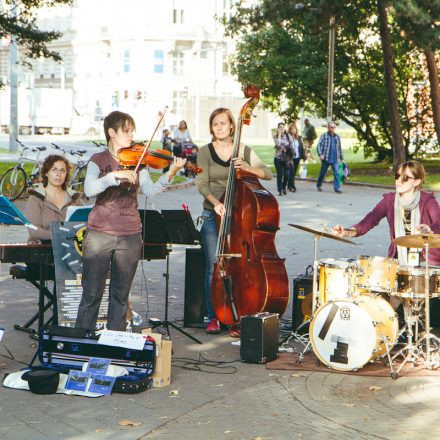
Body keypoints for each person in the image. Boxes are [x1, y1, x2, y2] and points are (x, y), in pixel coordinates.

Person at [75, 110, 186, 332]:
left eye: (132, 130)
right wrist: (113, 177)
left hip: (130, 235)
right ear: (111, 132)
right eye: (126, 130)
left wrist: (171, 172)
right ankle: (82, 343)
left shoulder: (139, 161)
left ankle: (114, 345)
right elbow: (89, 190)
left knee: (120, 296)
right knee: (91, 294)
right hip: (99, 235)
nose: (131, 135)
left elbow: (151, 191)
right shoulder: (98, 160)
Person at [197, 107, 272, 337]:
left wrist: (247, 168)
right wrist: (215, 203)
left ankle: (238, 316)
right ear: (211, 128)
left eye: (223, 123)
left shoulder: (242, 150)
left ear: (232, 126)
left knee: (240, 268)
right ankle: (215, 317)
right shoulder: (205, 152)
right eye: (215, 124)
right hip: (213, 215)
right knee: (214, 265)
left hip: (240, 219)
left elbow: (267, 173)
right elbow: (202, 184)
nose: (219, 127)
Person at [332, 160, 440, 266]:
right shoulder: (389, 200)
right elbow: (369, 221)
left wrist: (429, 231)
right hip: (398, 261)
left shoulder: (428, 200)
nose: (399, 181)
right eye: (397, 176)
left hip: (427, 263)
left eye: (405, 178)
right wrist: (346, 232)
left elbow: (438, 221)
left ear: (417, 182)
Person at [25, 155, 83, 280]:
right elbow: (33, 230)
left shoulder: (75, 198)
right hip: (42, 253)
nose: (59, 174)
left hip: (71, 252)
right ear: (46, 173)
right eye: (54, 170)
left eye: (62, 170)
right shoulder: (35, 198)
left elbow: (85, 225)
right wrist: (60, 235)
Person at [316, 122, 343, 194]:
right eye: (331, 127)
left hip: (335, 158)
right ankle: (319, 185)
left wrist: (341, 157)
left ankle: (337, 188)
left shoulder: (337, 136)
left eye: (334, 127)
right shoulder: (324, 136)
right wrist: (320, 154)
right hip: (326, 158)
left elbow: (339, 148)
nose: (333, 129)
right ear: (328, 128)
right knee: (323, 172)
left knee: (337, 173)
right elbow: (319, 146)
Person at [286, 122, 306, 192]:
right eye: (292, 129)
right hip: (290, 157)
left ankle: (289, 185)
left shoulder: (299, 138)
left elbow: (301, 147)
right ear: (290, 130)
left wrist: (304, 156)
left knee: (293, 173)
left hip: (297, 157)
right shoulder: (288, 138)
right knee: (291, 172)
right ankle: (293, 186)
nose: (293, 130)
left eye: (294, 129)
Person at [273, 122, 291, 196]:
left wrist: (285, 147)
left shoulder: (288, 136)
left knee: (287, 174)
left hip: (286, 158)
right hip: (278, 158)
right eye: (280, 127)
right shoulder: (275, 136)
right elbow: (278, 144)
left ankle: (284, 186)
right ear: (278, 128)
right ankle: (280, 190)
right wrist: (279, 134)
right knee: (279, 174)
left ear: (285, 128)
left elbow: (290, 145)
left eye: (283, 127)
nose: (281, 129)